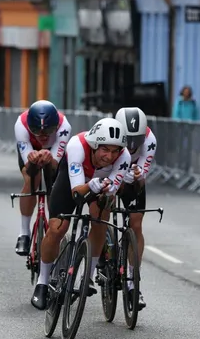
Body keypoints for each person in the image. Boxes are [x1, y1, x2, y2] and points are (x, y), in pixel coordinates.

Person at [31, 118, 130, 310]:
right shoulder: (77, 146)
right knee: (57, 228)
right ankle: (42, 282)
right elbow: (76, 193)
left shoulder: (123, 157)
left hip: (100, 184)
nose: (109, 157)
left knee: (101, 218)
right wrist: (90, 185)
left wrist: (105, 193)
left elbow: (110, 194)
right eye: (105, 150)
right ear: (94, 146)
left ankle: (89, 276)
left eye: (114, 151)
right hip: (72, 181)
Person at [14, 100, 72, 256]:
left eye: (48, 131)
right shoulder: (21, 124)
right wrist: (33, 159)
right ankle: (24, 233)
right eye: (36, 131)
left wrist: (49, 157)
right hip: (30, 150)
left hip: (53, 153)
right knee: (32, 178)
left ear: (55, 126)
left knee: (55, 184)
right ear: (30, 127)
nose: (42, 136)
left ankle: (53, 229)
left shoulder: (64, 126)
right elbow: (29, 168)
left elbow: (54, 165)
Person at [114, 107, 157, 311]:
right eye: (128, 139)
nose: (132, 146)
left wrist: (138, 175)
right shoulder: (110, 133)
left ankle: (132, 280)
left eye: (136, 140)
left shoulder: (150, 141)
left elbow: (142, 178)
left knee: (136, 225)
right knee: (101, 214)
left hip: (134, 179)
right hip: (112, 173)